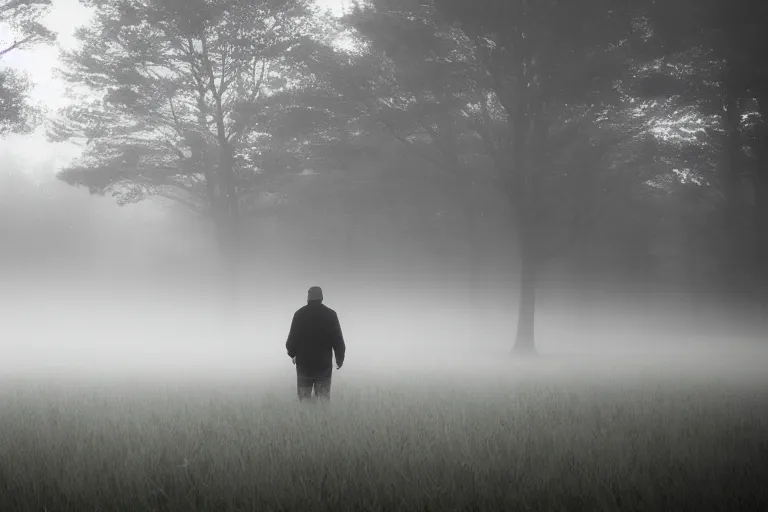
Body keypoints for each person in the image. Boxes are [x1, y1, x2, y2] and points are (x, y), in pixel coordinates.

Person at [285, 286, 346, 401]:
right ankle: (322, 419)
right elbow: (338, 341)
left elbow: (290, 342)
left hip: (304, 367)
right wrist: (340, 359)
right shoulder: (331, 315)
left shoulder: (299, 315)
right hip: (323, 368)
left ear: (308, 298)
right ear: (321, 297)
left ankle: (306, 420)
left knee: (305, 402)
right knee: (323, 402)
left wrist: (292, 354)